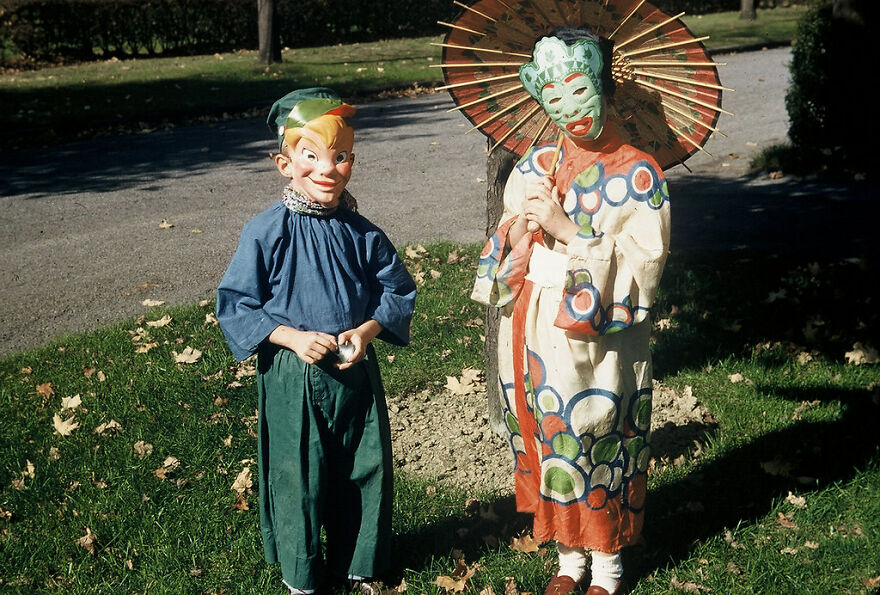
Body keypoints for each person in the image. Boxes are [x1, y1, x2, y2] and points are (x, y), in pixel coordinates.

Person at [472, 28, 670, 595]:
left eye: (578, 90)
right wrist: (521, 227)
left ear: (604, 86)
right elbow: (506, 243)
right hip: (535, 327)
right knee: (549, 430)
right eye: (552, 96)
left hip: (601, 337)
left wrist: (568, 231)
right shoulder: (536, 162)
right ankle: (568, 559)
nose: (567, 108)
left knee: (596, 428)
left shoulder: (638, 174)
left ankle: (606, 565)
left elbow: (642, 266)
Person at [216, 87, 417, 595]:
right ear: (285, 163)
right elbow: (236, 303)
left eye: (340, 156)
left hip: (355, 372)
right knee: (299, 474)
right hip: (294, 375)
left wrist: (368, 330)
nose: (327, 169)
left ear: (352, 161)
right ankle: (303, 577)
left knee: (363, 468)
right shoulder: (266, 231)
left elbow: (398, 289)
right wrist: (289, 338)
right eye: (312, 156)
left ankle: (360, 565)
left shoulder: (363, 233)